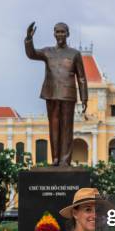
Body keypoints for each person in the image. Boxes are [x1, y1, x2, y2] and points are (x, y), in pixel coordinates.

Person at [25, 21, 88, 166]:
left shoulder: (75, 54)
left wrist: (84, 98)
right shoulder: (48, 52)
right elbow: (31, 54)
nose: (60, 34)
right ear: (54, 34)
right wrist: (29, 39)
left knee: (67, 127)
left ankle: (65, 160)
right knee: (53, 126)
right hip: (51, 93)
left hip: (68, 94)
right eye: (57, 32)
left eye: (63, 32)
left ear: (68, 34)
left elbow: (82, 77)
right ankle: (55, 158)